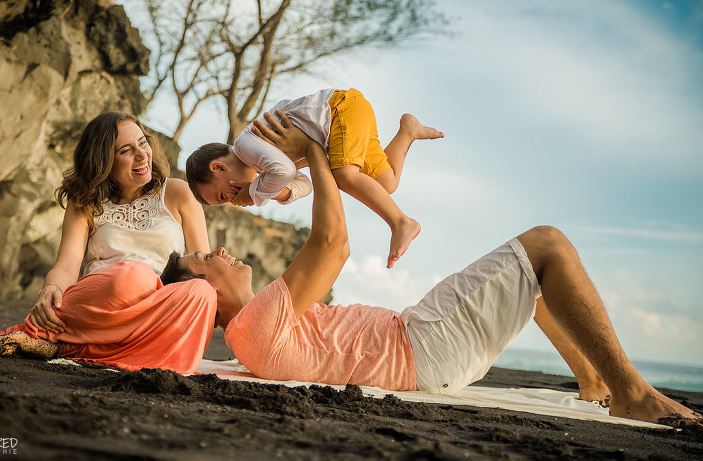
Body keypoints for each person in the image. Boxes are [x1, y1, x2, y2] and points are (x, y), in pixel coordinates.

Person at [164, 111, 701, 429]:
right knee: (547, 244)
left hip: (421, 341)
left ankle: (591, 381)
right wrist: (316, 151)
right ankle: (631, 392)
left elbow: (325, 239)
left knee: (528, 283)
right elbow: (333, 245)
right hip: (423, 345)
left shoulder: (253, 331)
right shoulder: (254, 326)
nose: (220, 252)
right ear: (201, 298)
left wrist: (299, 172)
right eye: (204, 261)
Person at [0, 111, 217, 374]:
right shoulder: (85, 202)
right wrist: (50, 289)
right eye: (126, 150)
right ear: (104, 161)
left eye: (142, 143)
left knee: (202, 293)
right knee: (134, 275)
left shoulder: (179, 192)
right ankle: (58, 337)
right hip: (102, 303)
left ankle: (65, 348)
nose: (141, 155)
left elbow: (204, 267)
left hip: (157, 310)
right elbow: (67, 265)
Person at [185, 88, 444, 268]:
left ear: (219, 167)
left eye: (224, 195)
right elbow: (304, 184)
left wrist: (254, 192)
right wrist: (276, 192)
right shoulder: (261, 165)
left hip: (338, 111)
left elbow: (284, 172)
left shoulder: (246, 145)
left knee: (344, 176)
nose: (232, 199)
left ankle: (400, 222)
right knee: (386, 184)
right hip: (346, 122)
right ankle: (408, 131)